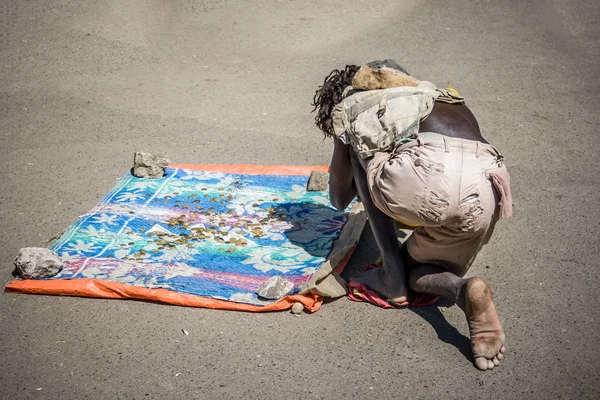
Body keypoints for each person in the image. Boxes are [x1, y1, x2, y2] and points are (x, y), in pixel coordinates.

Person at [312, 60, 512, 371]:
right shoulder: (438, 95)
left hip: (426, 178)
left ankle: (391, 276)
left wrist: (344, 141)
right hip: (486, 187)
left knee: (357, 149)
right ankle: (463, 289)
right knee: (420, 269)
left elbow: (339, 199)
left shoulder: (355, 103)